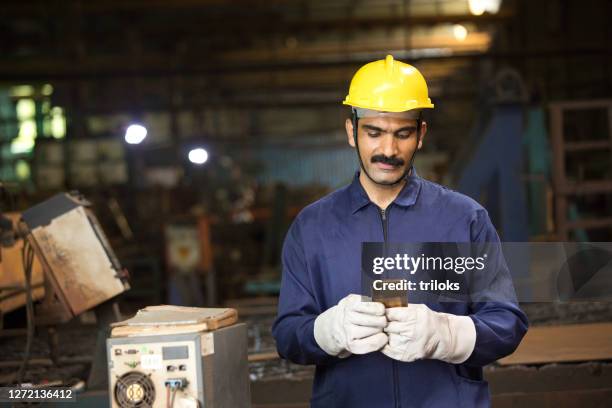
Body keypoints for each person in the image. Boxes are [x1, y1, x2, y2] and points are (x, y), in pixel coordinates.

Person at [272, 55, 528, 407]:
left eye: (402, 134)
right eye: (374, 133)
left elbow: (507, 322)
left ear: (420, 134)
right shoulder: (312, 228)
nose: (388, 150)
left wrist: (449, 334)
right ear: (352, 132)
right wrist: (325, 332)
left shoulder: (464, 219)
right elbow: (287, 335)